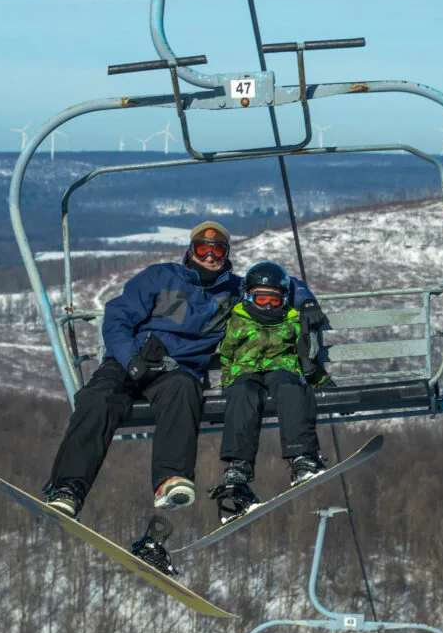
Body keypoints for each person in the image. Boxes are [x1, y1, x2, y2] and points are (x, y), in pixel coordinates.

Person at [40, 222, 326, 571]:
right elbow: (118, 317)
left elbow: (279, 282)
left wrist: (306, 301)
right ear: (190, 250)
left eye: (217, 250)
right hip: (131, 360)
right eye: (202, 248)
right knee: (97, 400)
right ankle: (68, 489)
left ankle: (171, 480)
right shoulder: (160, 277)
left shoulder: (233, 290)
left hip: (177, 369)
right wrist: (131, 359)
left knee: (184, 390)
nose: (209, 256)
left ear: (226, 255)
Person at [208, 261, 330, 523]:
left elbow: (306, 355)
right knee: (242, 395)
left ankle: (302, 456)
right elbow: (228, 354)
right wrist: (227, 384)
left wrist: (319, 380)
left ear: (284, 300)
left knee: (292, 389)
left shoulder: (292, 320)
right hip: (245, 371)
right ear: (249, 297)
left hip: (282, 368)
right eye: (260, 299)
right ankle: (238, 464)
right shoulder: (237, 318)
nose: (266, 306)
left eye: (273, 301)